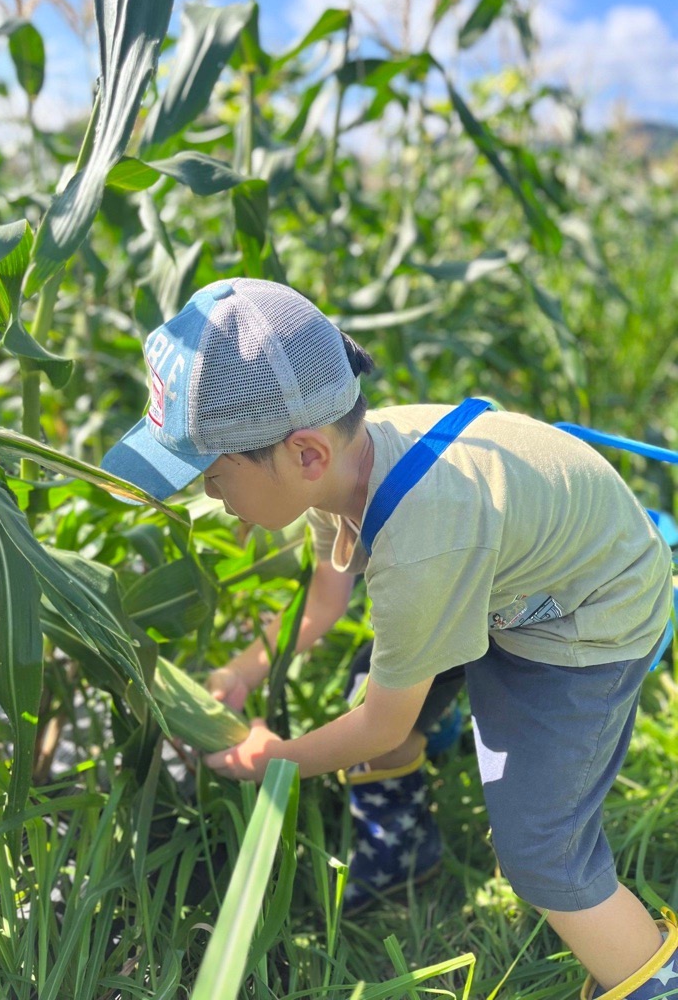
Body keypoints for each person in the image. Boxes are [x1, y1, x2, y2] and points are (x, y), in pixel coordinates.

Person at [102, 277, 677, 1000]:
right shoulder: (343, 467)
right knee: (368, 682)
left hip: (585, 624)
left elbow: (382, 725)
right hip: (506, 583)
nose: (214, 499)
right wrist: (247, 669)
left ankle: (648, 977)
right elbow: (324, 602)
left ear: (304, 454)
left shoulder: (422, 541)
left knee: (541, 853)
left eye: (215, 477)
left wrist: (276, 760)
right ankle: (403, 848)